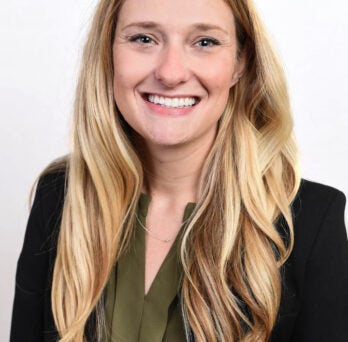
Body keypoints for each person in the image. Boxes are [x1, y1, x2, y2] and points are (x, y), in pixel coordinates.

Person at [10, 0, 348, 341]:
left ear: (240, 63)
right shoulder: (59, 198)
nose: (171, 73)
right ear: (108, 52)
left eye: (205, 42)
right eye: (144, 38)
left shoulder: (310, 223)